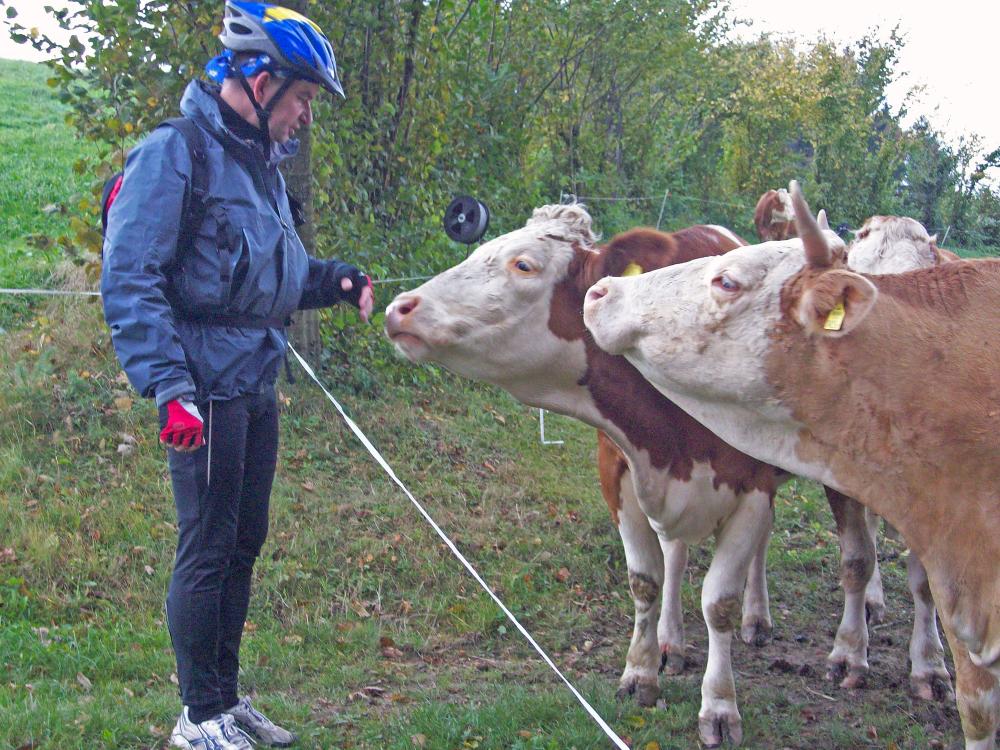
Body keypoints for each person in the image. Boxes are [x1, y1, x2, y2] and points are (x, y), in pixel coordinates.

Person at [100, 3, 374, 747]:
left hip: (254, 381)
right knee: (208, 545)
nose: (304, 118)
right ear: (258, 80)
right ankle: (197, 717)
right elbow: (131, 279)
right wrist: (170, 386)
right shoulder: (175, 152)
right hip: (202, 390)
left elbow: (271, 277)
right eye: (302, 99)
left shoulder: (260, 169)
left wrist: (335, 281)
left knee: (243, 542)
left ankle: (223, 699)